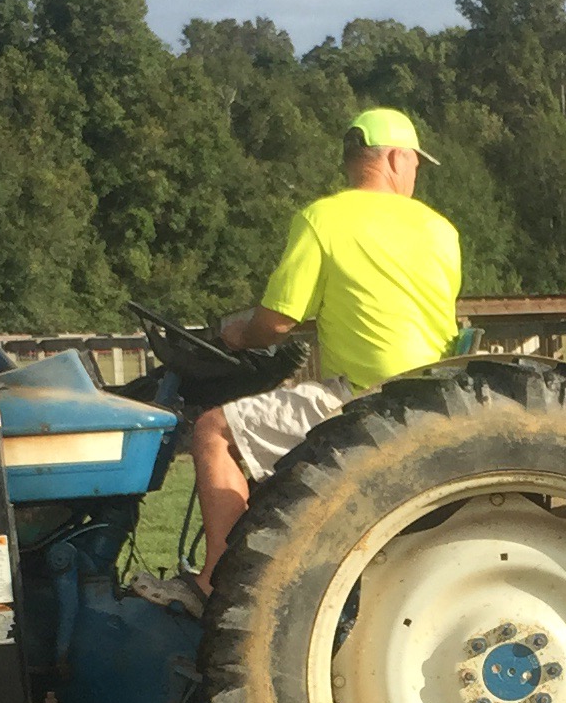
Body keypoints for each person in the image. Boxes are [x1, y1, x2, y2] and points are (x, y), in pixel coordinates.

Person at [183, 106, 461, 591]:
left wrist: (236, 336)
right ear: (396, 158)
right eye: (416, 163)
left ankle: (213, 584)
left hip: (362, 397)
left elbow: (276, 323)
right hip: (432, 396)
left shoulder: (322, 219)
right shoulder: (442, 230)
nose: (415, 173)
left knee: (212, 430)